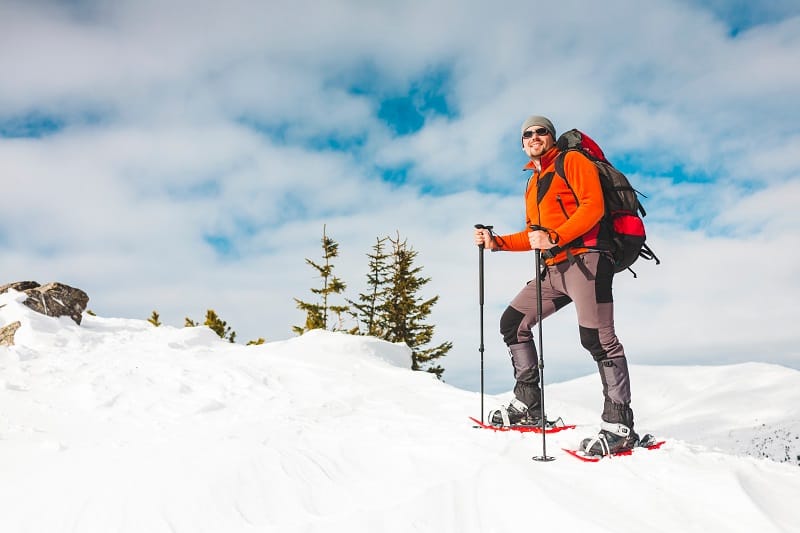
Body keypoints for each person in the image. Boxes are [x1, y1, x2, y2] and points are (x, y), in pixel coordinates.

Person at [474, 115, 640, 455]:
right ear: (522, 143)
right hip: (554, 268)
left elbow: (592, 206)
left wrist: (555, 235)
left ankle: (620, 424)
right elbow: (535, 235)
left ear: (551, 137)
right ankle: (528, 404)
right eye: (527, 134)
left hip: (588, 260)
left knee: (598, 339)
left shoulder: (572, 161)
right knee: (512, 323)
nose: (534, 136)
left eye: (541, 131)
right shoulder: (533, 183)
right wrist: (497, 242)